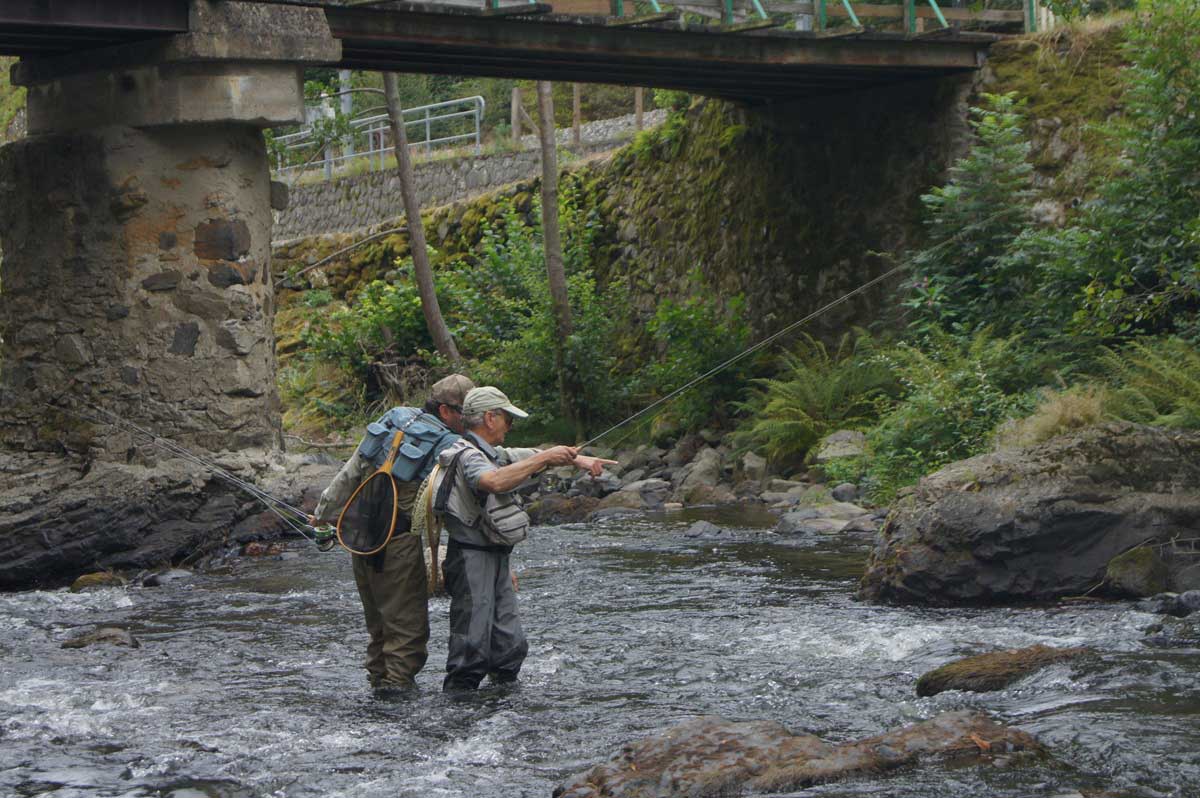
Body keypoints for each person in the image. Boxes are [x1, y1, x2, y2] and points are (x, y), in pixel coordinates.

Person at [436, 386, 615, 691]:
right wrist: (546, 456)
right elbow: (493, 481)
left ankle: (504, 702)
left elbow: (527, 457)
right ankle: (459, 715)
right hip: (470, 558)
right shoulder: (466, 455)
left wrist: (576, 460)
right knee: (471, 651)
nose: (511, 425)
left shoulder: (494, 454)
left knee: (509, 646)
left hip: (498, 557)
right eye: (508, 418)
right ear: (490, 418)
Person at [310, 373, 475, 692]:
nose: (469, 422)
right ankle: (394, 704)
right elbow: (457, 510)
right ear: (444, 411)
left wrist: (322, 516)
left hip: (359, 539)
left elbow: (350, 472)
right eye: (464, 415)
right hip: (397, 545)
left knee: (379, 630)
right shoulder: (450, 446)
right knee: (407, 635)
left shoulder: (392, 418)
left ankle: (377, 691)